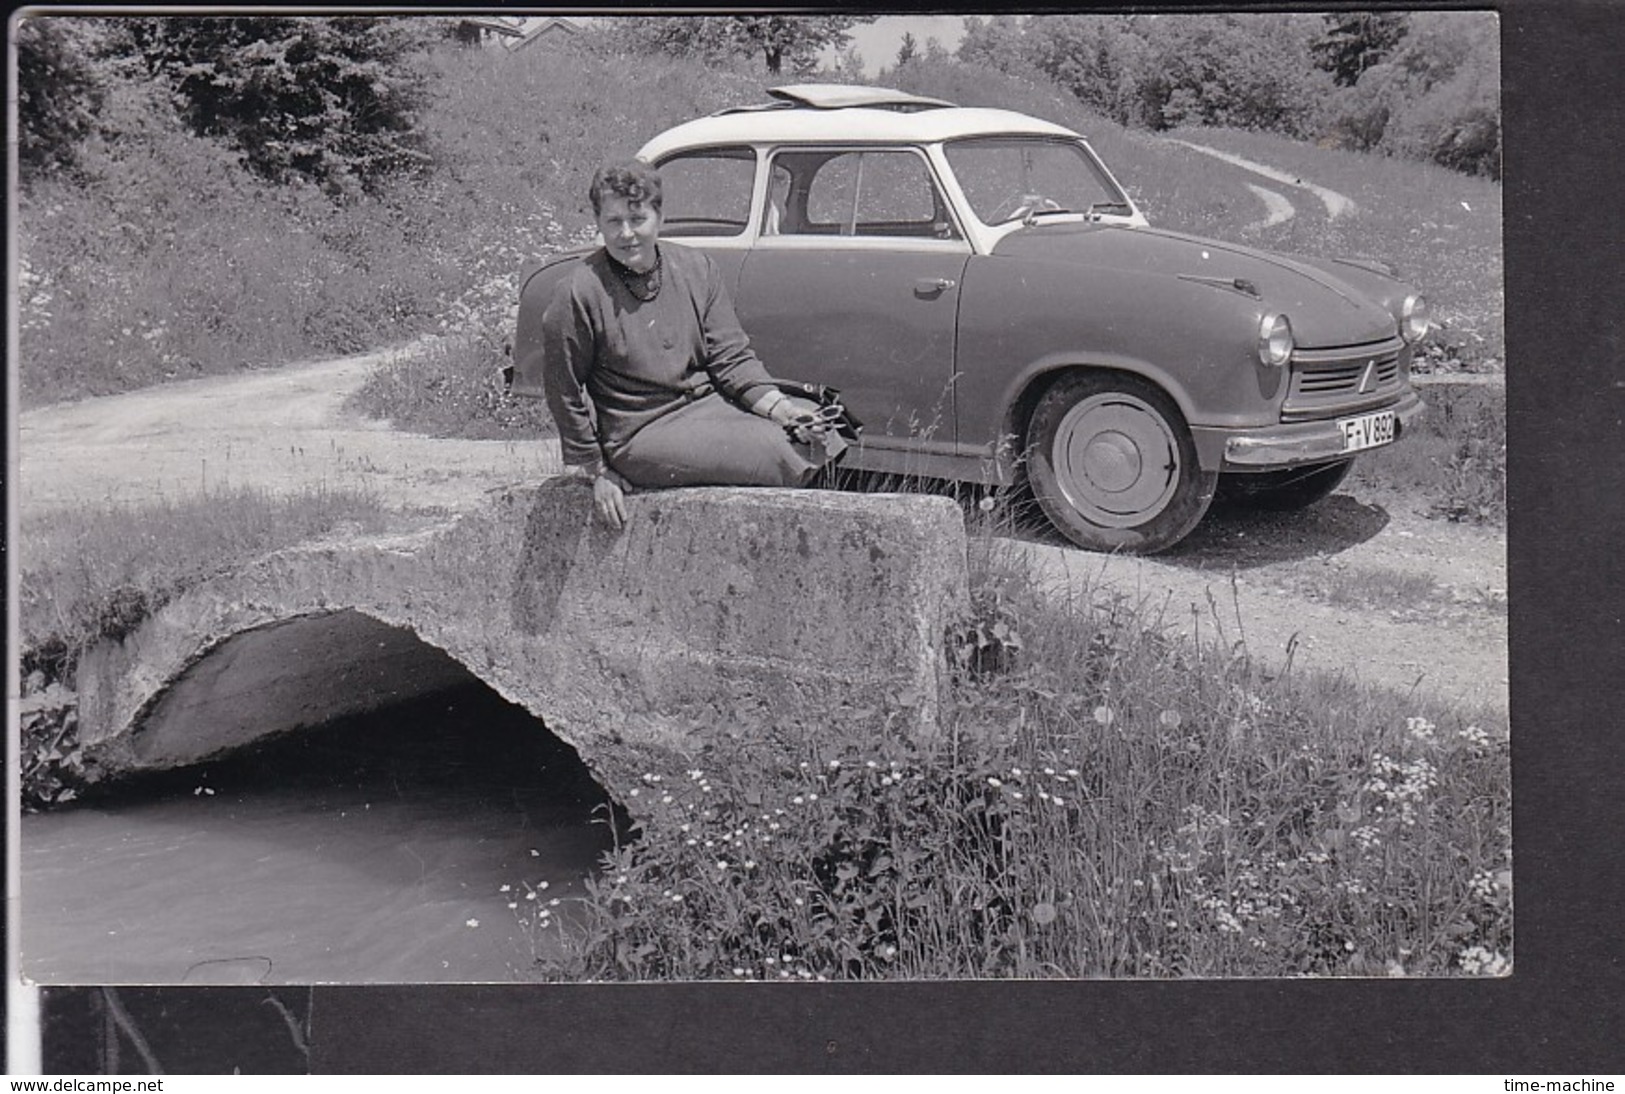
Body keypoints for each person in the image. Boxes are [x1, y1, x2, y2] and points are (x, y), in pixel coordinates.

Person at [540, 160, 841, 530]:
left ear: (659, 216)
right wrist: (596, 469)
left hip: (708, 405)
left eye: (638, 219)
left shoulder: (696, 268)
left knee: (817, 424)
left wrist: (784, 410)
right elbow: (563, 390)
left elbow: (732, 359)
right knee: (781, 449)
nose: (627, 234)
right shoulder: (578, 291)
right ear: (598, 223)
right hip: (641, 431)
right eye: (613, 222)